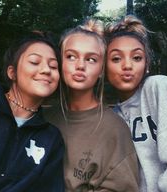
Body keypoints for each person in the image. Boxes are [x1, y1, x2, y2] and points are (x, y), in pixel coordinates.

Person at [105, 15, 167, 191]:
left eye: (136, 58)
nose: (127, 65)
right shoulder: (111, 118)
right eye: (116, 59)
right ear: (104, 67)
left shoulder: (158, 87)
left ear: (147, 64)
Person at [44, 19, 139, 191]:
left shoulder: (114, 129)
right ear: (60, 62)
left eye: (91, 59)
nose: (80, 66)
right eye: (71, 56)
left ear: (101, 71)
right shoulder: (44, 118)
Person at [0, 31, 65, 191]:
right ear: (12, 72)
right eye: (34, 62)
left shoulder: (51, 139)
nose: (46, 70)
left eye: (53, 66)